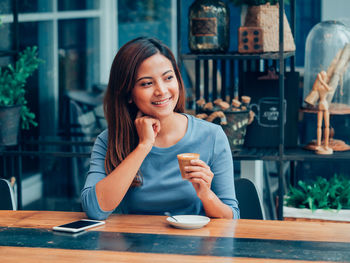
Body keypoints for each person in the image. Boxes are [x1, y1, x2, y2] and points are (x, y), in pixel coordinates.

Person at [81, 37, 239, 220]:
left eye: (168, 78)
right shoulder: (110, 140)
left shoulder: (211, 136)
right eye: (147, 83)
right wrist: (144, 146)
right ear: (128, 94)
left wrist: (205, 194)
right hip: (133, 245)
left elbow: (231, 218)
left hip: (195, 246)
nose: (162, 90)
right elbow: (94, 210)